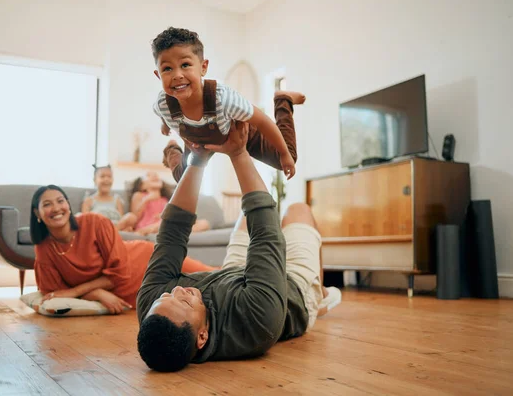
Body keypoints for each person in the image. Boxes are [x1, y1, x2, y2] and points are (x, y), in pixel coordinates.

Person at [136, 122, 341, 372]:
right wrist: (238, 152)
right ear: (202, 337)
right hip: (293, 293)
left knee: (245, 217)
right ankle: (317, 295)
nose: (179, 290)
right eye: (185, 302)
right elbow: (267, 234)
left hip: (232, 277)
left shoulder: (154, 309)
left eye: (167, 295)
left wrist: (197, 161)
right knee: (298, 210)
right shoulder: (256, 322)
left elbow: (172, 233)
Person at [30, 184, 217, 315]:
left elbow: (118, 272)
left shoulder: (95, 222)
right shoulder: (44, 248)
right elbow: (54, 291)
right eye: (47, 204)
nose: (56, 208)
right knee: (195, 294)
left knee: (209, 277)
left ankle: (242, 278)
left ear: (68, 205)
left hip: (143, 261)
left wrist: (75, 292)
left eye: (60, 201)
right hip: (129, 294)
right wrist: (97, 293)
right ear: (37, 213)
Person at [151, 26, 304, 183]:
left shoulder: (223, 98)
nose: (177, 75)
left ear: (203, 67)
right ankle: (171, 149)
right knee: (182, 179)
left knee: (286, 157)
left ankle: (283, 100)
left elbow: (263, 121)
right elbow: (162, 113)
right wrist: (166, 125)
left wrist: (284, 155)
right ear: (158, 75)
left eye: (185, 65)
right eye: (167, 68)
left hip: (238, 132)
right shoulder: (163, 103)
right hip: (200, 142)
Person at [119, 171, 210, 235]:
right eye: (149, 175)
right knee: (164, 224)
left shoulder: (165, 199)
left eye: (156, 175)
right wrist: (146, 199)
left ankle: (177, 232)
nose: (155, 176)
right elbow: (135, 217)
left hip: (166, 224)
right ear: (142, 185)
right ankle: (145, 231)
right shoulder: (139, 195)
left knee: (204, 223)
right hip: (148, 225)